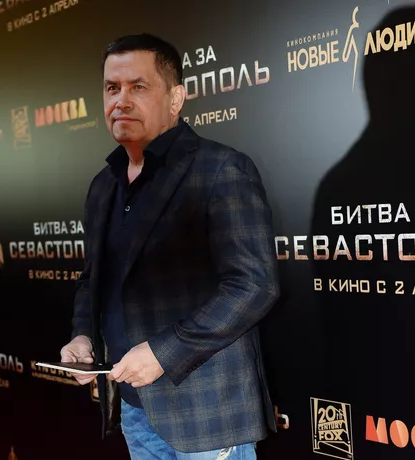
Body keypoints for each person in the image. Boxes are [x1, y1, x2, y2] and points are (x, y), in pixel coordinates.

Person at [60, 33, 280, 460]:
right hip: (133, 409)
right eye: (112, 88)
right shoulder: (103, 186)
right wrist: (83, 335)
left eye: (138, 87)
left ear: (176, 98)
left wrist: (163, 353)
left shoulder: (221, 169)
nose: (121, 101)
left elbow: (254, 286)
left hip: (207, 417)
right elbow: (92, 280)